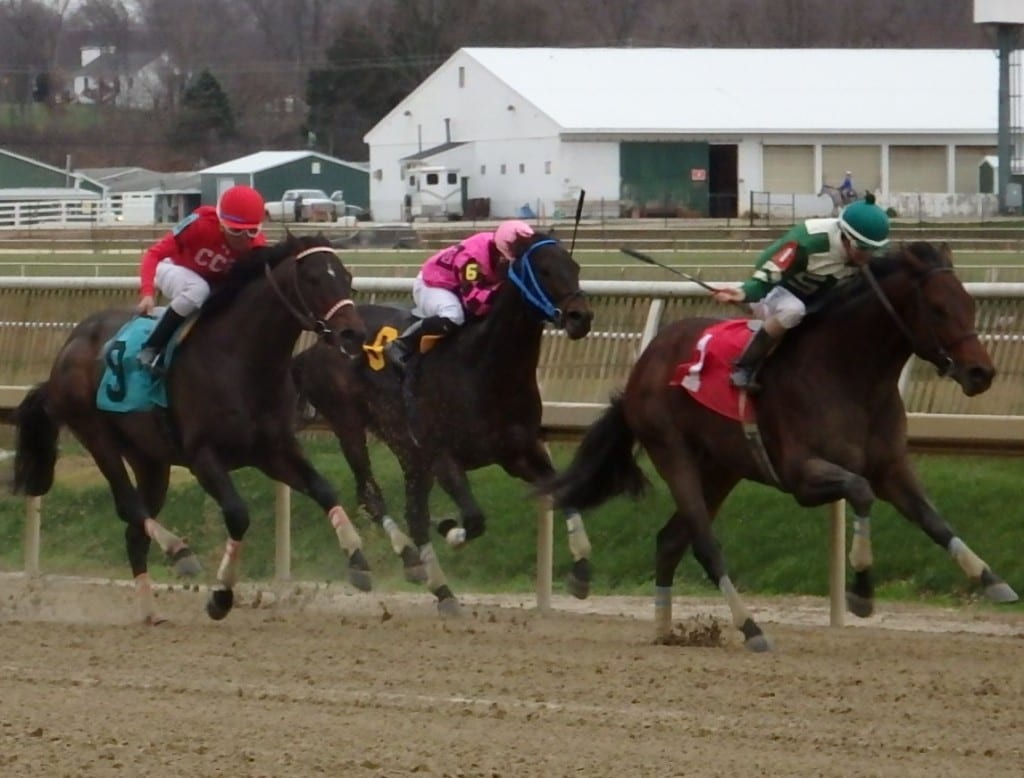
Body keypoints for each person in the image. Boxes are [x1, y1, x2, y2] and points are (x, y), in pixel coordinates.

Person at [712, 193, 890, 390]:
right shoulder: (808, 242)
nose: (868, 256)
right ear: (846, 237)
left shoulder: (861, 253)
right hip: (777, 291)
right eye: (862, 249)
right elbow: (770, 272)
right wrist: (745, 292)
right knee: (793, 310)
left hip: (816, 298)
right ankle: (745, 366)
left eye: (873, 250)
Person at [135, 184, 268, 372]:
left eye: (252, 231)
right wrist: (147, 293)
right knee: (198, 289)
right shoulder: (200, 224)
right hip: (172, 267)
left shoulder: (257, 246)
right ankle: (151, 347)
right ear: (221, 223)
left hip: (207, 280)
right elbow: (153, 254)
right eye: (236, 231)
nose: (244, 238)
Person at [384, 219, 536, 371]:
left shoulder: (503, 246)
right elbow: (475, 304)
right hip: (433, 284)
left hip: (460, 286)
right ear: (500, 250)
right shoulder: (473, 258)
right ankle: (403, 343)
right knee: (454, 315)